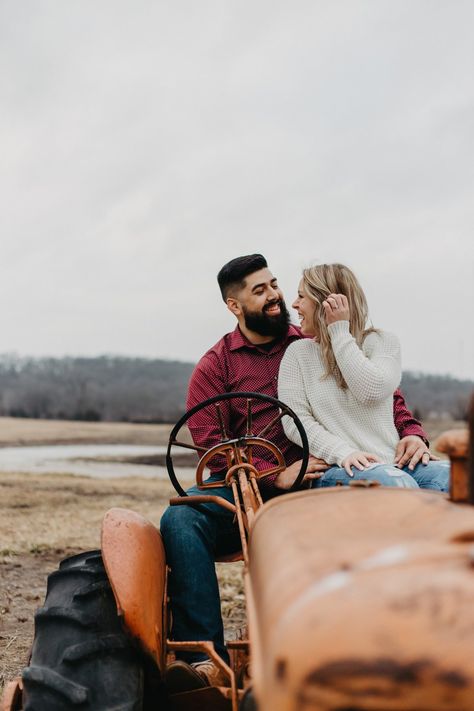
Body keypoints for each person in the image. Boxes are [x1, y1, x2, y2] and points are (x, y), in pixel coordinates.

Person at [161, 254, 435, 689]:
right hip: (255, 483)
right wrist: (274, 474)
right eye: (260, 290)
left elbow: (381, 398)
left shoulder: (312, 338)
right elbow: (211, 443)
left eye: (274, 284)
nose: (275, 296)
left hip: (328, 473)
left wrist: (413, 432)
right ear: (234, 306)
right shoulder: (216, 367)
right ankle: (204, 658)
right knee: (180, 518)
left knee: (391, 501)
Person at [278, 262, 450, 490]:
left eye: (301, 296)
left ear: (325, 303)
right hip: (337, 467)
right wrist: (343, 453)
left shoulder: (383, 342)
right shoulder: (297, 354)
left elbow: (371, 390)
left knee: (457, 476)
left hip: (395, 462)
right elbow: (294, 421)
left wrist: (338, 330)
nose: (295, 304)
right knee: (397, 484)